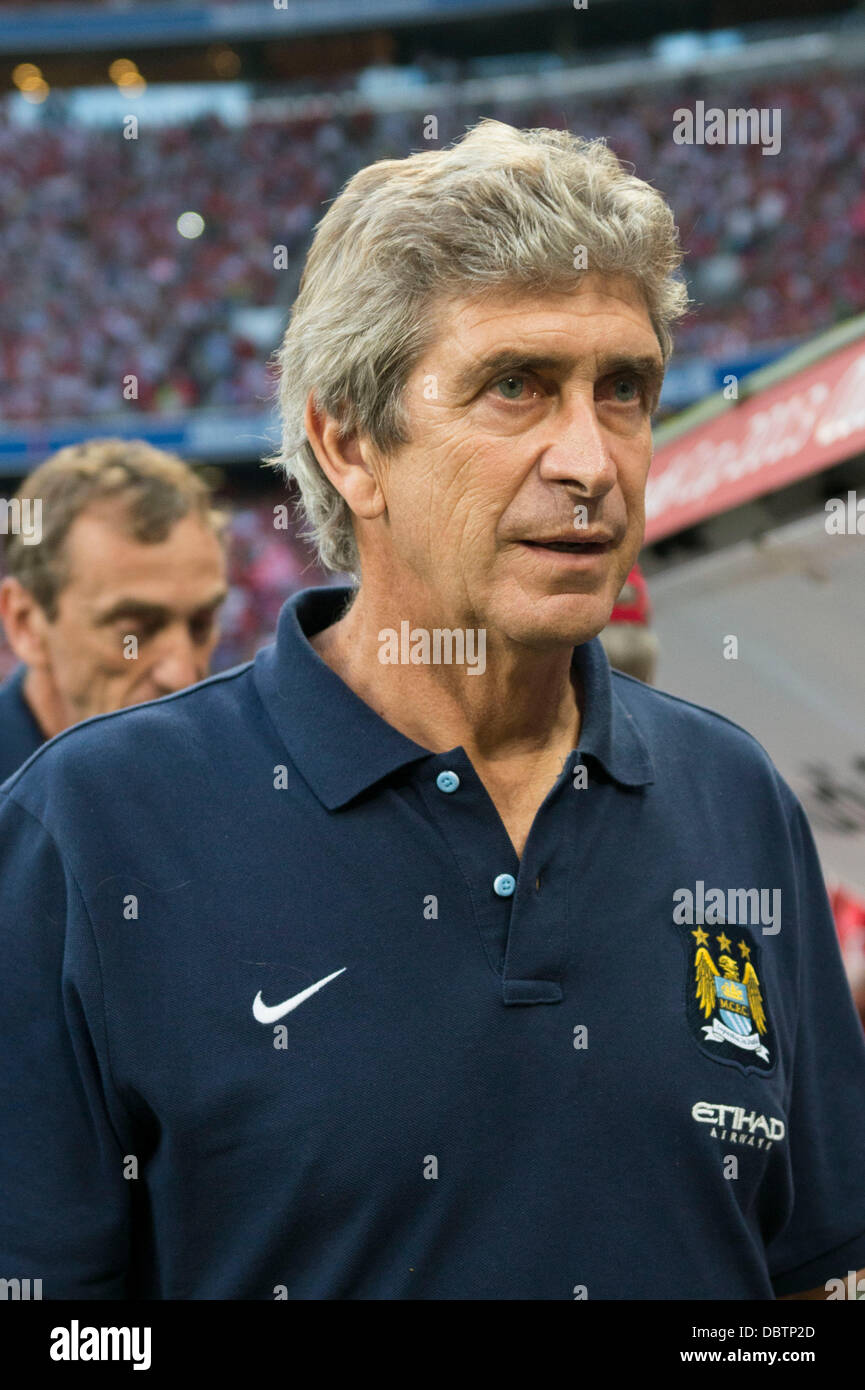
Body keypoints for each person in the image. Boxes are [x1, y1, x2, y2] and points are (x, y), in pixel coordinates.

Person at [1, 120, 864, 1300]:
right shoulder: (91, 827)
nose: (590, 459)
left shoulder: (735, 796)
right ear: (349, 443)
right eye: (516, 386)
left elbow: (815, 1272)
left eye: (623, 390)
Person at [0, 438, 228, 782]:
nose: (182, 675)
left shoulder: (238, 774)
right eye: (135, 632)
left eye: (201, 624)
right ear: (26, 624)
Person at [598, 562, 659, 684]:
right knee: (642, 690)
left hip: (603, 638)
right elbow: (645, 610)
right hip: (639, 638)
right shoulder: (629, 562)